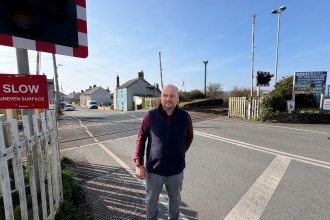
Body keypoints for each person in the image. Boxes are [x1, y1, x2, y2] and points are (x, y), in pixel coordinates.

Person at [134, 84, 194, 219]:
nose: (168, 99)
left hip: (176, 172)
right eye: (165, 95)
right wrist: (139, 164)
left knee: (175, 201)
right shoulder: (150, 116)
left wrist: (179, 152)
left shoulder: (185, 117)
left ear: (178, 99)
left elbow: (189, 138)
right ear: (160, 97)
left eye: (172, 96)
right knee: (151, 202)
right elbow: (141, 138)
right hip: (154, 171)